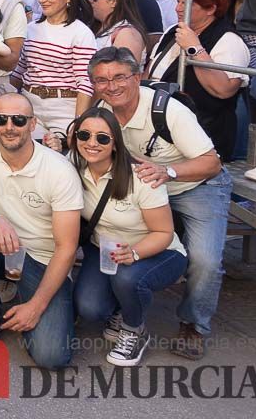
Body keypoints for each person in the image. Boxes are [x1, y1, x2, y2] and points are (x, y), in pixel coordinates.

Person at [90, 46, 230, 360]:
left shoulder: (169, 111)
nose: (111, 86)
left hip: (196, 184)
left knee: (205, 259)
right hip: (146, 190)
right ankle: (122, 304)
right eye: (101, 80)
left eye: (119, 77)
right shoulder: (102, 109)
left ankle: (193, 324)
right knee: (118, 237)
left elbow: (212, 163)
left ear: (137, 76)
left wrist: (168, 171)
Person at [0, 93, 83, 368]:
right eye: (1, 119)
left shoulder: (59, 170)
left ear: (32, 124)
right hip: (0, 247)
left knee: (52, 357)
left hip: (41, 257)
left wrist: (37, 307)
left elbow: (67, 247)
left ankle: (40, 302)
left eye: (18, 120)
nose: (9, 126)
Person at [69, 107, 188, 367]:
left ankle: (135, 329)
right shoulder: (73, 166)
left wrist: (134, 254)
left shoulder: (140, 177)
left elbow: (164, 232)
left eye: (102, 138)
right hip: (105, 251)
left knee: (128, 277)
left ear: (114, 143)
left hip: (159, 252)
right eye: (84, 134)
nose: (91, 143)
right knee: (91, 309)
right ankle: (122, 307)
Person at [11, 0, 96, 143]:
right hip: (30, 103)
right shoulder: (31, 28)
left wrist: (79, 122)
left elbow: (84, 81)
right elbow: (20, 70)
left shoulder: (81, 33)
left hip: (64, 108)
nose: (43, 0)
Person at [90, 0, 150, 65]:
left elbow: (122, 72)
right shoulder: (96, 26)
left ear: (113, 2)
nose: (90, 0)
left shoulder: (127, 34)